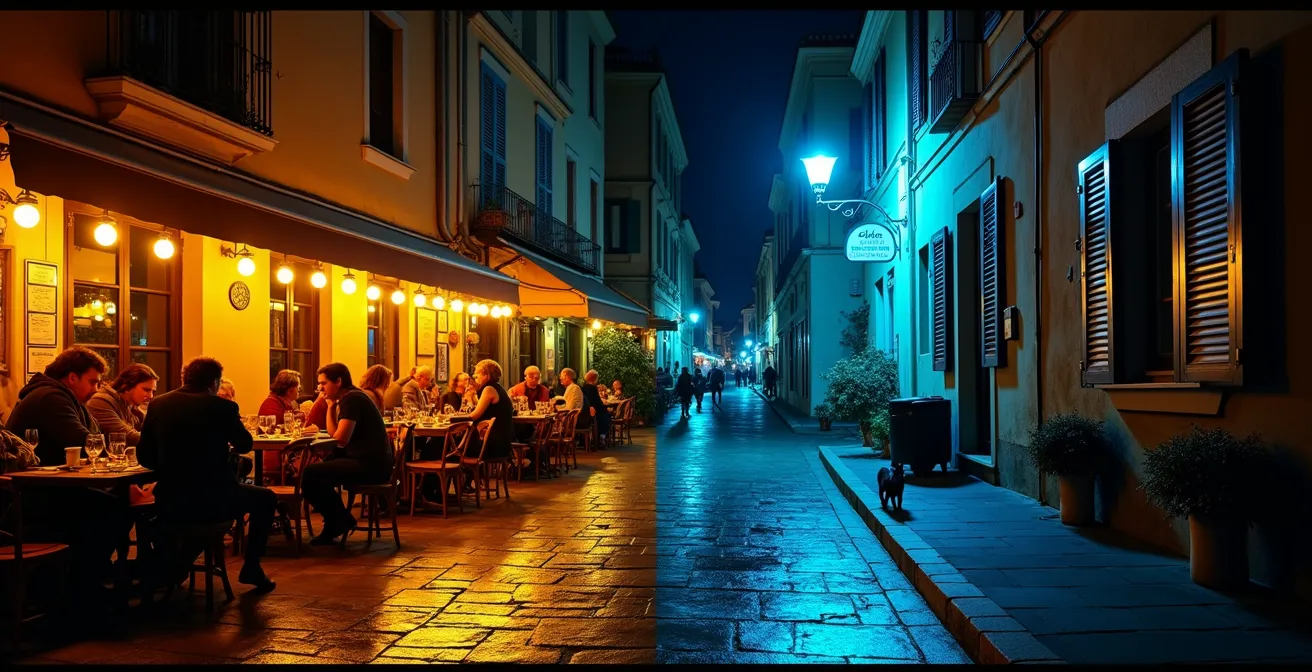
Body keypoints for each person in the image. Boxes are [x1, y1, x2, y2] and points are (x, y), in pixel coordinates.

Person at [5, 347, 133, 605]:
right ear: (72, 377)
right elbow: (85, 440)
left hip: (49, 488)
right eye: (93, 381)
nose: (96, 388)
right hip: (27, 499)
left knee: (116, 500)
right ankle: (80, 589)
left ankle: (87, 581)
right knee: (112, 509)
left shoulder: (64, 397)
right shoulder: (50, 397)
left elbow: (93, 438)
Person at [138, 356, 276, 593]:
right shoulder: (223, 407)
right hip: (215, 499)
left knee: (183, 526)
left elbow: (145, 457)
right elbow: (244, 444)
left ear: (185, 378)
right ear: (214, 382)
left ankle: (169, 569)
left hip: (170, 499)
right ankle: (252, 567)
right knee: (266, 499)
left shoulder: (159, 403)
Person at [302, 363, 394, 545]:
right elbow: (333, 433)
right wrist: (329, 407)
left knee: (310, 474)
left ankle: (338, 520)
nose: (320, 388)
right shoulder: (350, 397)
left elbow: (341, 439)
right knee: (317, 473)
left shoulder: (353, 399)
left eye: (323, 383)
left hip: (371, 466)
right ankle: (338, 520)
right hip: (371, 461)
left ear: (338, 382)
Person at [453, 359, 514, 492]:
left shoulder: (489, 389)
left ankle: (455, 488)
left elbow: (475, 415)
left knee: (451, 448)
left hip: (493, 443)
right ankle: (466, 483)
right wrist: (473, 394)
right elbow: (480, 407)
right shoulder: (497, 388)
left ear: (486, 375)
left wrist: (452, 418)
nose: (475, 377)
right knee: (458, 445)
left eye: (477, 374)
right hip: (502, 441)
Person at [87, 363, 158, 446]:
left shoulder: (131, 406)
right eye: (146, 390)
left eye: (153, 391)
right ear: (127, 386)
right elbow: (128, 437)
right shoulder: (101, 401)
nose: (151, 396)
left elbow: (149, 432)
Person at [508, 366, 552, 442]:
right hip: (520, 422)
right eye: (531, 376)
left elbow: (545, 407)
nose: (534, 379)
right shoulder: (516, 389)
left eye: (537, 377)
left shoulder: (544, 390)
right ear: (525, 377)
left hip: (538, 422)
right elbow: (510, 403)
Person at [579, 370, 610, 444]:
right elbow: (597, 402)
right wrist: (605, 407)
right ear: (595, 379)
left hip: (586, 411)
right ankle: (602, 435)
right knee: (607, 414)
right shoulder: (593, 388)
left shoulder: (583, 388)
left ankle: (599, 436)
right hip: (595, 411)